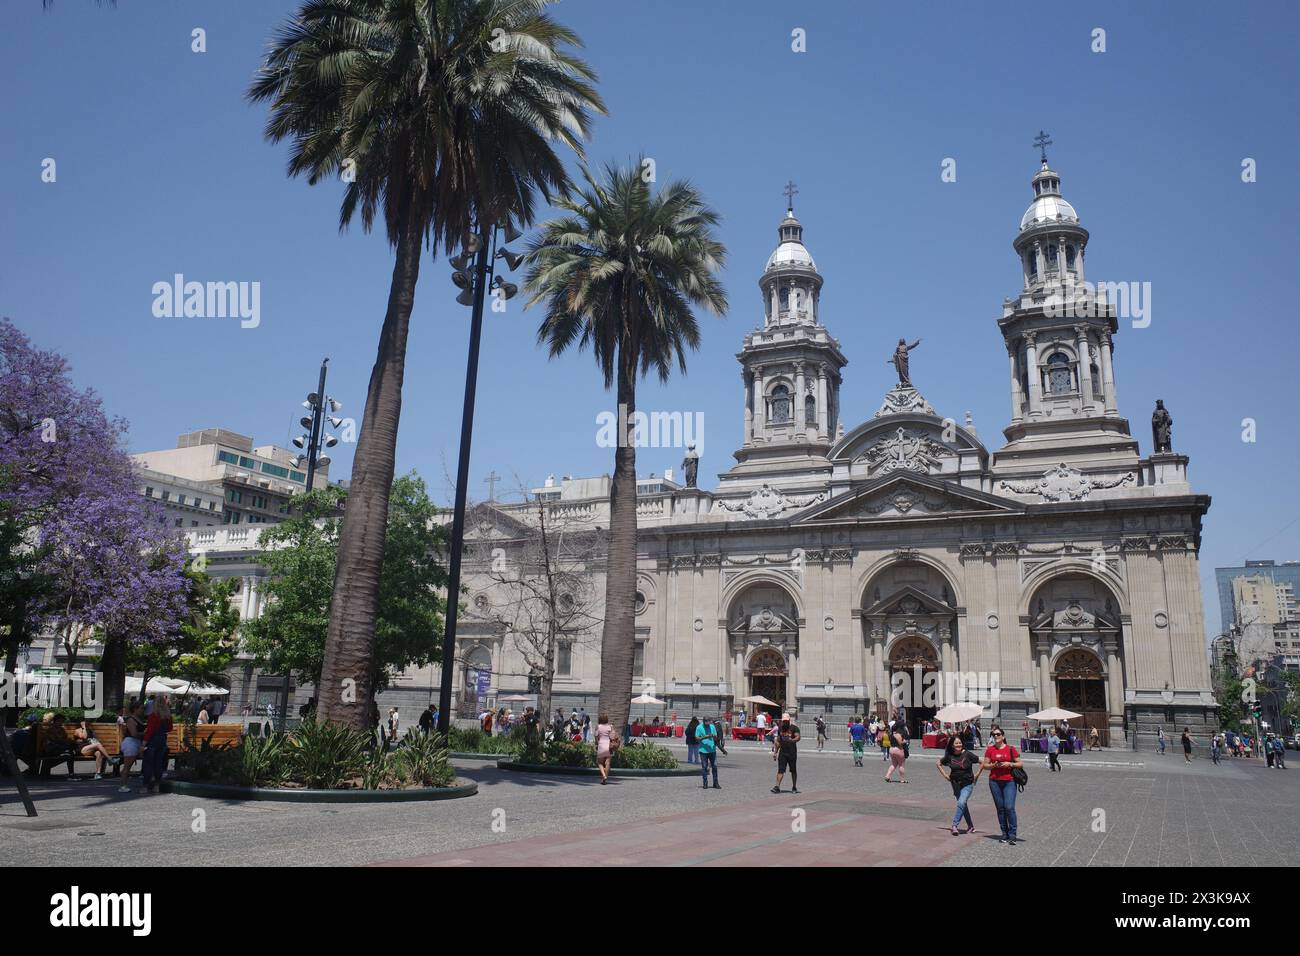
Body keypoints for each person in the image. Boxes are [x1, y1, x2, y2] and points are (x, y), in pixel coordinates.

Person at [982, 727, 1023, 845]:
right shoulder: (990, 749)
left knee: (1009, 807)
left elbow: (1020, 763)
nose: (995, 736)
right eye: (993, 734)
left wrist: (1009, 763)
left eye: (998, 734)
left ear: (1003, 736)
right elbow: (985, 765)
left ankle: (1013, 834)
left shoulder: (1011, 749)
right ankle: (1004, 833)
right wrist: (993, 765)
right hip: (994, 782)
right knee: (1000, 809)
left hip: (1009, 781)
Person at [938, 736, 983, 835]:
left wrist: (977, 775)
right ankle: (970, 826)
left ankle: (954, 825)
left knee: (961, 802)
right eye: (956, 743)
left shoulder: (968, 754)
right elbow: (938, 763)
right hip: (955, 784)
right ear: (952, 745)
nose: (959, 745)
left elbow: (982, 762)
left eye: (960, 743)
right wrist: (945, 775)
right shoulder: (949, 756)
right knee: (963, 805)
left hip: (968, 784)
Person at [139, 697, 173, 794]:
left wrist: (143, 744)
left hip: (153, 740)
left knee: (148, 763)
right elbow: (170, 728)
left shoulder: (153, 716)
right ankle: (157, 786)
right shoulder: (168, 716)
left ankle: (145, 786)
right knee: (158, 763)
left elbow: (149, 731)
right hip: (162, 739)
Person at [116, 703, 145, 790]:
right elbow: (134, 734)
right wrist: (146, 733)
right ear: (135, 709)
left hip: (136, 743)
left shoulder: (138, 719)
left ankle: (124, 784)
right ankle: (122, 785)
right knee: (127, 766)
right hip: (130, 743)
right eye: (141, 708)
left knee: (128, 765)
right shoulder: (131, 720)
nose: (143, 710)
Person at [770, 714, 801, 794]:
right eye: (784, 721)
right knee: (780, 770)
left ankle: (794, 787)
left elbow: (798, 737)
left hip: (792, 752)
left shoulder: (794, 728)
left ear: (789, 720)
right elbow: (778, 741)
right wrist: (775, 752)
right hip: (783, 752)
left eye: (786, 721)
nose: (785, 722)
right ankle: (777, 787)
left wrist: (792, 740)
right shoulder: (780, 728)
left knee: (793, 770)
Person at [697, 716, 721, 789]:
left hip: (712, 750)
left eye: (709, 722)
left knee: (715, 766)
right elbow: (697, 738)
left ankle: (715, 783)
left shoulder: (712, 727)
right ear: (703, 721)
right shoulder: (699, 727)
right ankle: (705, 783)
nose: (707, 724)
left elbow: (716, 737)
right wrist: (705, 737)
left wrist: (714, 736)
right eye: (706, 722)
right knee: (704, 767)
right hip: (703, 751)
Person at [594, 713, 615, 784]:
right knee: (608, 763)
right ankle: (605, 778)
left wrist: (597, 744)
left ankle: (604, 776)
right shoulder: (610, 726)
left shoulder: (598, 726)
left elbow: (596, 736)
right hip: (608, 745)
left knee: (599, 763)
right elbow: (612, 737)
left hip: (601, 744)